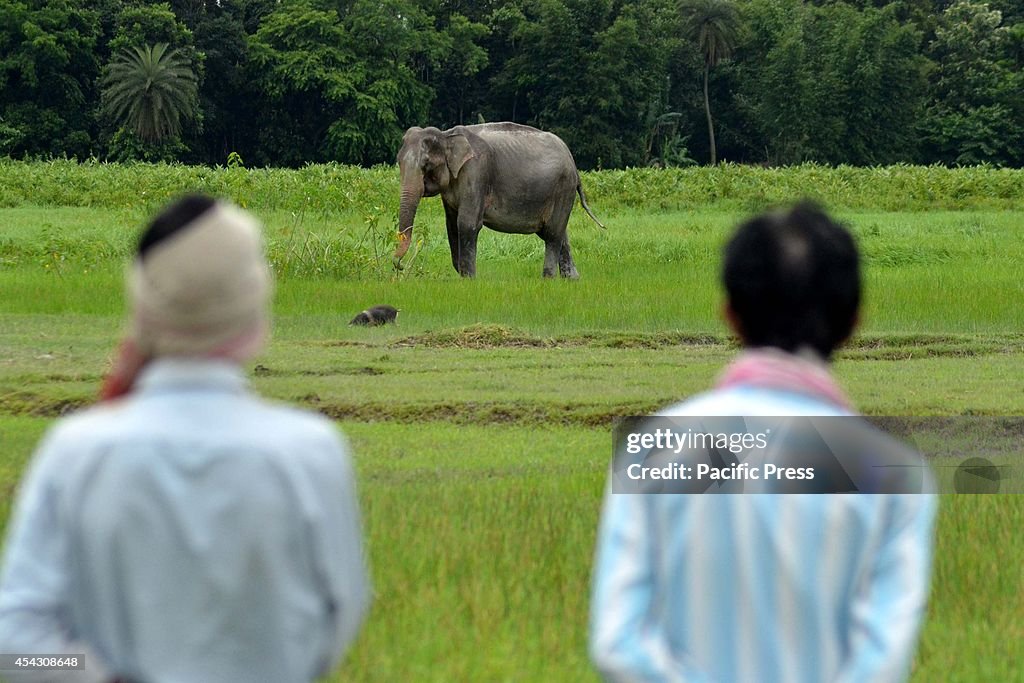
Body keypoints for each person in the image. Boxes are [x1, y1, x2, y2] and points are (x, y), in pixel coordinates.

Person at [0, 195, 370, 682]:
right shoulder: (310, 453)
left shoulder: (75, 452)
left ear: (143, 310)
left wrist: (98, 675)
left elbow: (15, 648)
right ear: (253, 317)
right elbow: (340, 617)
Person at [590, 203, 937, 682]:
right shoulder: (894, 471)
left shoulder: (654, 447)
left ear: (730, 315)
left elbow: (619, 645)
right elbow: (880, 664)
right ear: (854, 321)